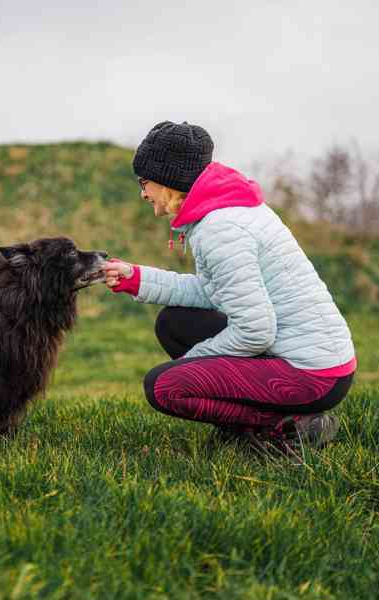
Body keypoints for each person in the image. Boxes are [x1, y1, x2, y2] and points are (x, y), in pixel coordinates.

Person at [105, 121, 356, 453]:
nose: (142, 193)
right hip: (316, 362)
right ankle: (257, 421)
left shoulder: (220, 229)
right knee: (175, 323)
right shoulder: (225, 211)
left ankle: (289, 426)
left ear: (168, 181)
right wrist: (136, 278)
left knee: (165, 387)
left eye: (144, 182)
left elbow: (255, 331)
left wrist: (193, 363)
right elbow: (214, 292)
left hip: (312, 375)